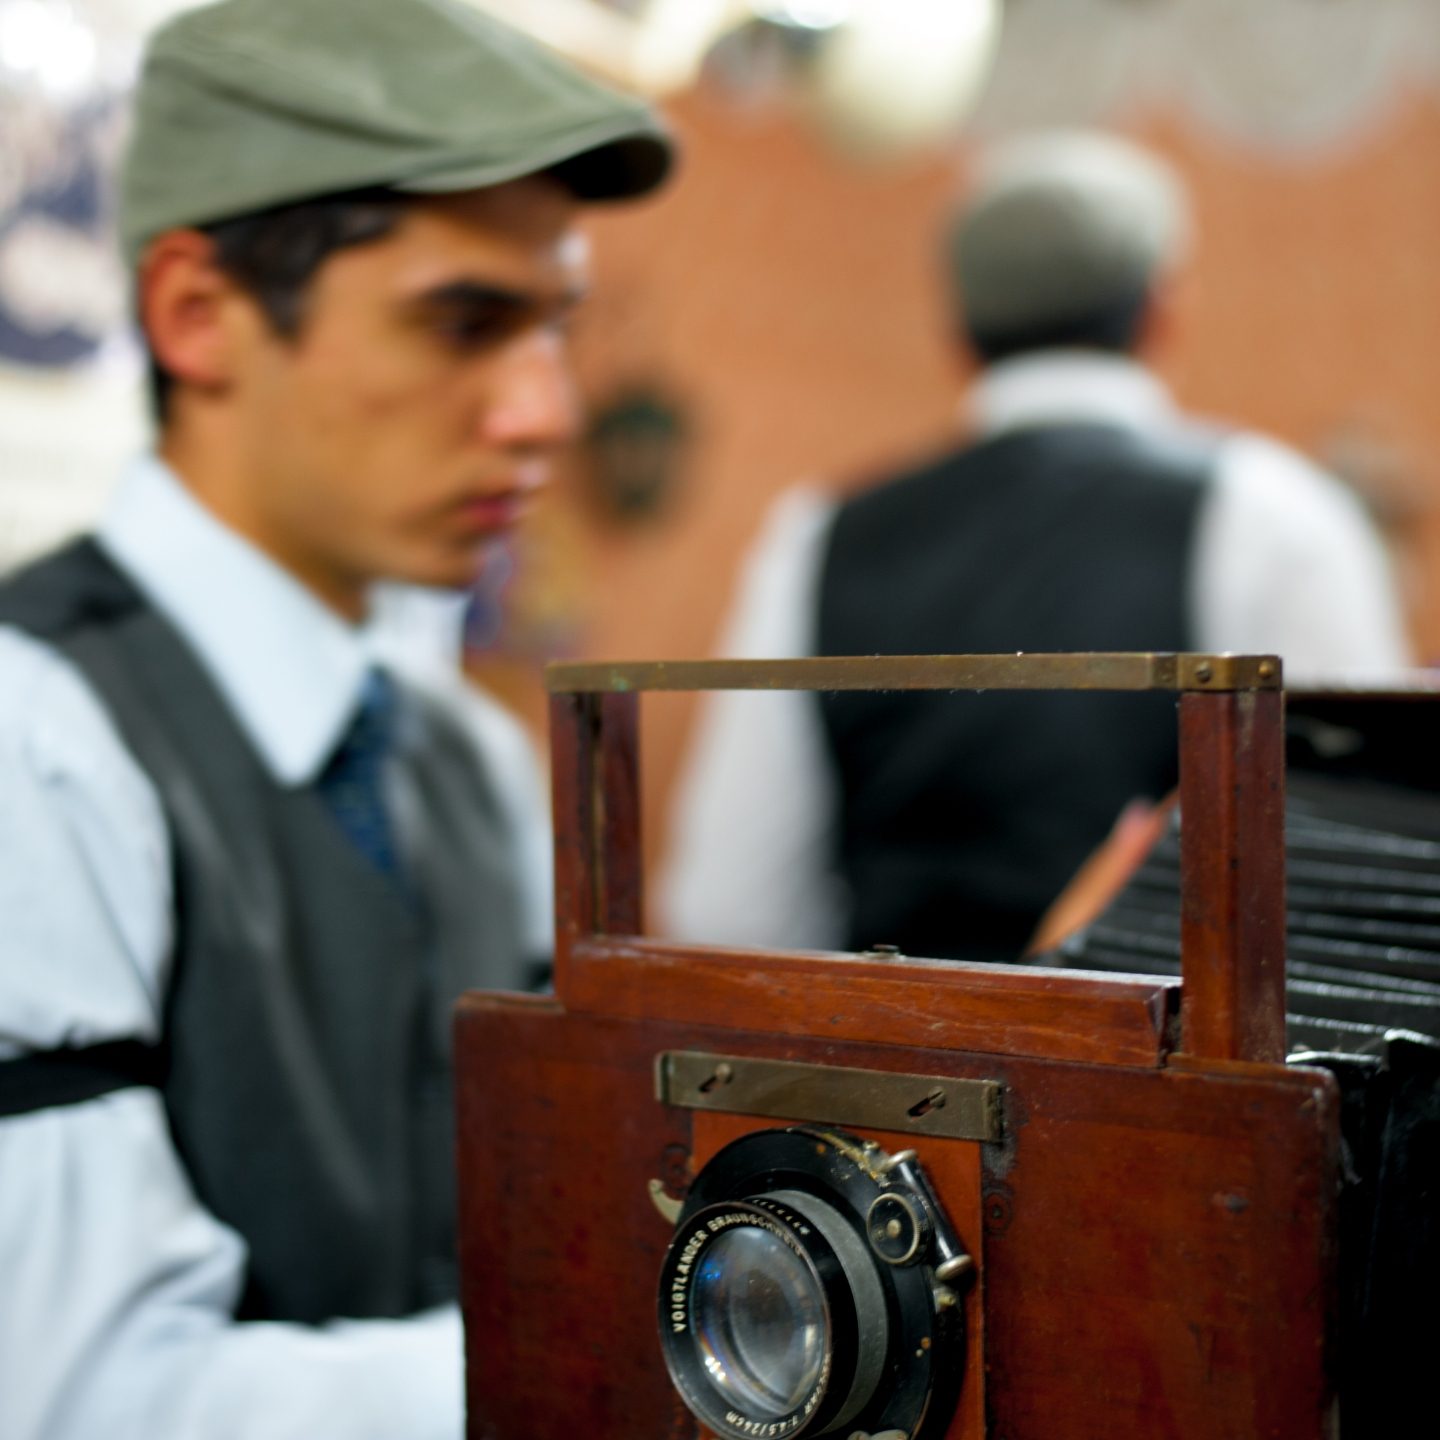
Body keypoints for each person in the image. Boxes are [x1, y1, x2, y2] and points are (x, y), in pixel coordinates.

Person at [0, 2, 671, 1437]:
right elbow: (78, 1399)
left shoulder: (471, 764)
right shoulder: (32, 740)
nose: (545, 412)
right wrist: (670, 1371)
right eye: (465, 323)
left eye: (554, 329)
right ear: (197, 313)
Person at [659, 129, 1411, 965]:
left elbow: (728, 906)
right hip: (1170, 1089)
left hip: (889, 1082)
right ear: (1163, 310)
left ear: (959, 333)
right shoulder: (1278, 512)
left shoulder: (819, 532)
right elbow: (1365, 879)